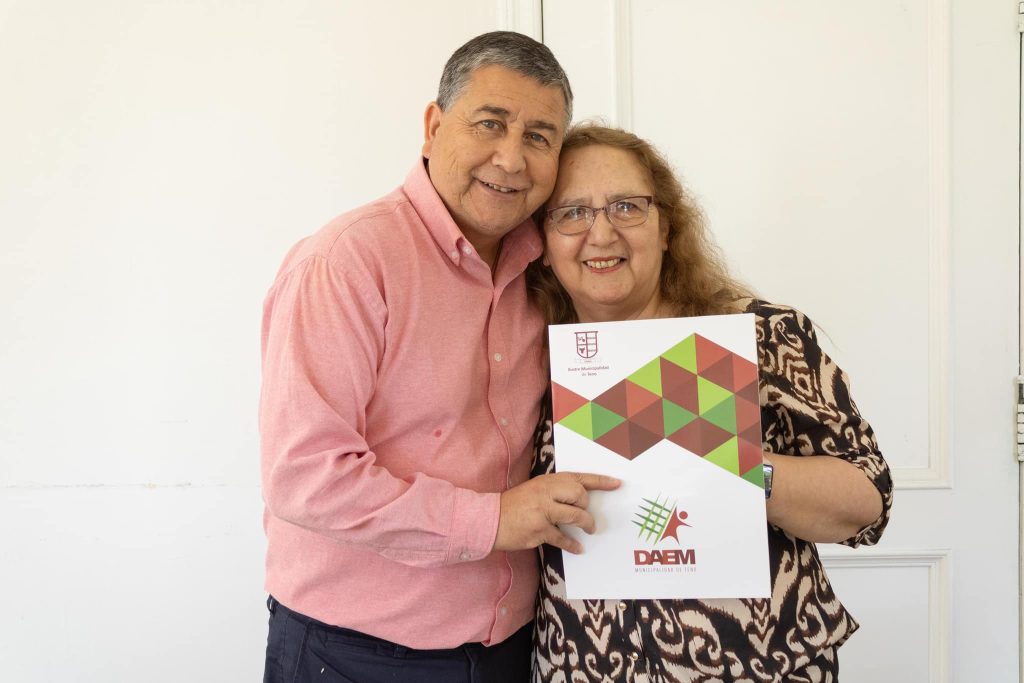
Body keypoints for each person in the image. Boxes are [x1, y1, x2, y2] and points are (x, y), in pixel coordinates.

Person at [259, 33, 619, 683]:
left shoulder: (551, 266)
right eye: (490, 123)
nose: (511, 158)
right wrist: (494, 520)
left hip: (515, 646)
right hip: (355, 654)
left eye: (539, 137)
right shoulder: (347, 262)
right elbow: (305, 476)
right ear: (433, 127)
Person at [527, 124, 893, 683]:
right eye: (572, 213)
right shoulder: (526, 359)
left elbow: (867, 502)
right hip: (583, 667)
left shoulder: (760, 336)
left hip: (761, 665)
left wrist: (738, 467)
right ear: (544, 245)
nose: (601, 232)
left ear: (666, 227)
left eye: (626, 206)